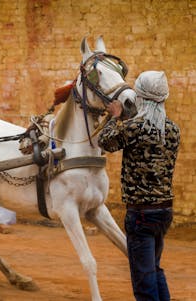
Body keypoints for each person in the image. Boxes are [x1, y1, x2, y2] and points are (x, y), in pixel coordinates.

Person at [98, 71, 180, 301]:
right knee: (154, 269)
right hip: (164, 211)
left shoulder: (134, 127)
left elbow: (104, 141)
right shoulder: (173, 130)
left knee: (144, 280)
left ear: (140, 97)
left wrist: (115, 116)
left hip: (141, 213)